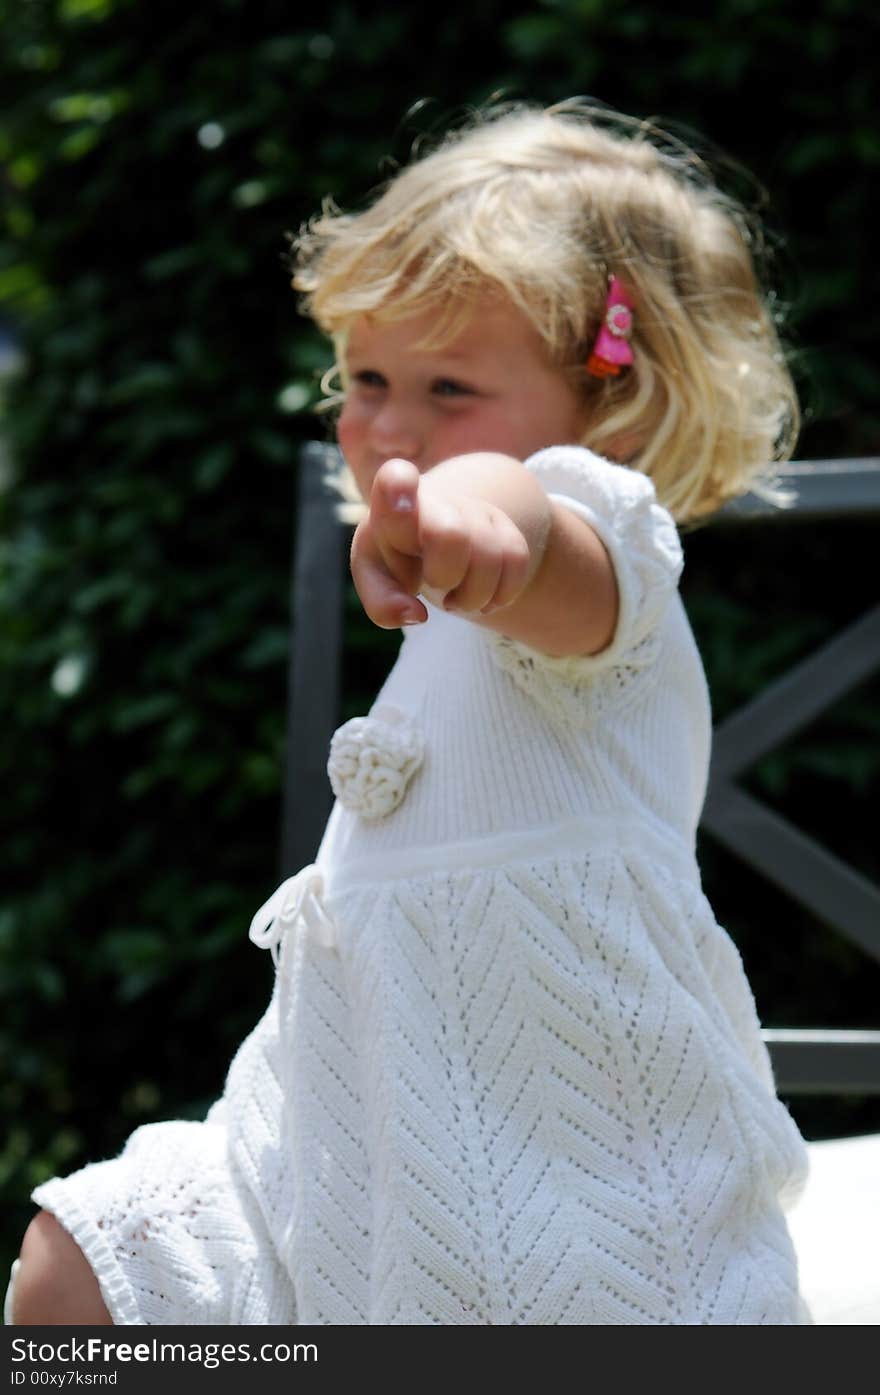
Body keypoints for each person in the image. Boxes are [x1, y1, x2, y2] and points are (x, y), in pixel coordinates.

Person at [10, 99, 811, 1326]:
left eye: (450, 386)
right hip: (339, 1133)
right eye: (370, 377)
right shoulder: (451, 604)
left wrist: (484, 515)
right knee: (77, 1273)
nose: (391, 426)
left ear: (619, 408)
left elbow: (536, 509)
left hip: (561, 1161)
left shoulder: (603, 570)